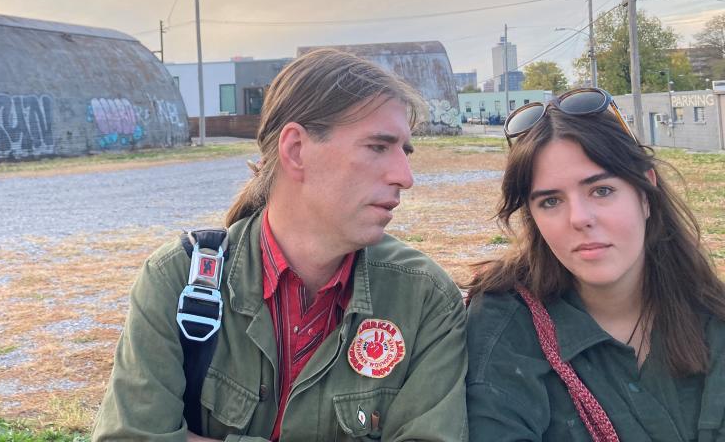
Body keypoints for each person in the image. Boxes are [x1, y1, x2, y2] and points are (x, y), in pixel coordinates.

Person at [93, 49, 468, 442]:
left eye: (405, 152)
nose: (405, 176)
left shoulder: (423, 299)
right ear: (295, 150)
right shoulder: (177, 279)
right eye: (378, 146)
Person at [465, 88, 725, 441]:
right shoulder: (504, 325)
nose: (579, 219)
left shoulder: (712, 317)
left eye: (601, 190)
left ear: (645, 193)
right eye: (550, 201)